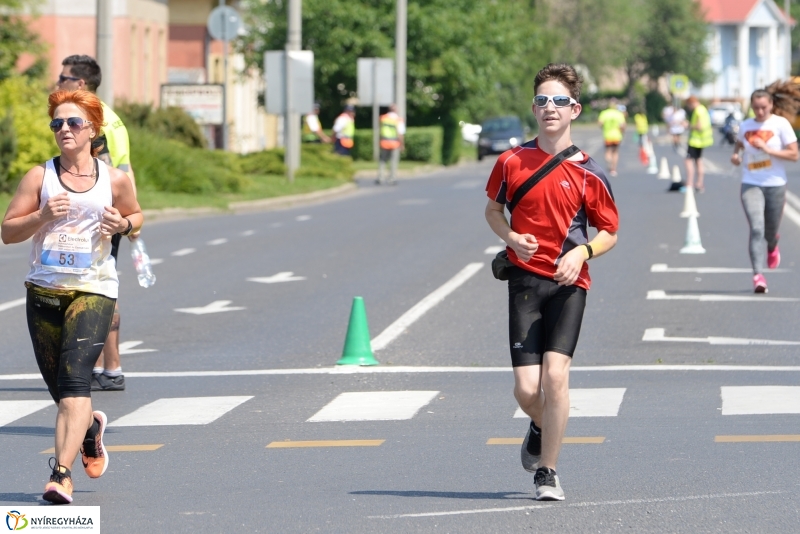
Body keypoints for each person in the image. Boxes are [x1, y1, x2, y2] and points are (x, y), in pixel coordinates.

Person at [484, 63, 618, 501]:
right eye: (542, 100)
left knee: (556, 378)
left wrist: (581, 252)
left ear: (575, 109)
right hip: (524, 281)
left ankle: (548, 471)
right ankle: (540, 424)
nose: (550, 108)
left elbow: (609, 232)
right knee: (526, 389)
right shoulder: (511, 161)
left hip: (568, 283)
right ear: (534, 108)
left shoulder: (589, 172)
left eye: (559, 101)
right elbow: (492, 211)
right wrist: (510, 237)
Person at [1, 89, 142, 503]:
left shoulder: (113, 179)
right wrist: (42, 215)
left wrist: (123, 224)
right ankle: (90, 430)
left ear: (92, 130)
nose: (64, 129)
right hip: (44, 291)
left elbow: (137, 217)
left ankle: (60, 475)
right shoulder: (38, 177)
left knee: (76, 380)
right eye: (57, 123)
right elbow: (7, 231)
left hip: (94, 287)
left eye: (73, 122)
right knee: (61, 391)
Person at [57, 54, 136, 391]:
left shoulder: (92, 119)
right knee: (100, 286)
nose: (58, 83)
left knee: (93, 288)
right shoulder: (113, 118)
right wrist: (131, 217)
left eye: (63, 79)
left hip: (96, 220)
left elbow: (101, 172)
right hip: (111, 216)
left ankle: (106, 366)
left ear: (80, 84)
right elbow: (127, 172)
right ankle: (107, 367)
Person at [731, 86, 799, 293]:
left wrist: (769, 150)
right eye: (755, 108)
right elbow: (739, 145)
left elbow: (794, 155)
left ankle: (772, 245)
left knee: (770, 230)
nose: (759, 112)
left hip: (776, 183)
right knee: (757, 228)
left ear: (771, 105)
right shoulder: (745, 125)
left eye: (763, 108)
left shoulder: (781, 124)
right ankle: (758, 276)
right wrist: (736, 157)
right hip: (751, 182)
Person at [684, 96, 713, 193]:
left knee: (688, 161)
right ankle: (700, 183)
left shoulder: (697, 111)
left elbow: (699, 126)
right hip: (702, 140)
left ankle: (690, 183)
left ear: (691, 103)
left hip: (695, 140)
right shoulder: (703, 109)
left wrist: (688, 125)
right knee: (698, 161)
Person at [377, 103, 406, 185]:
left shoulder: (383, 118)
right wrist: (402, 144)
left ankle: (380, 177)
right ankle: (392, 178)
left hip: (384, 142)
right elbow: (400, 133)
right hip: (394, 143)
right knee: (393, 161)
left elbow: (380, 131)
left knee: (382, 160)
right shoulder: (398, 119)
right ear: (396, 110)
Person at [597, 98, 626, 176]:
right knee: (615, 152)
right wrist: (622, 132)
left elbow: (600, 123)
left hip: (607, 135)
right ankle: (614, 169)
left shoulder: (604, 113)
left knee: (608, 151)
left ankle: (609, 163)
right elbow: (623, 126)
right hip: (617, 136)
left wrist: (604, 127)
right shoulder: (619, 114)